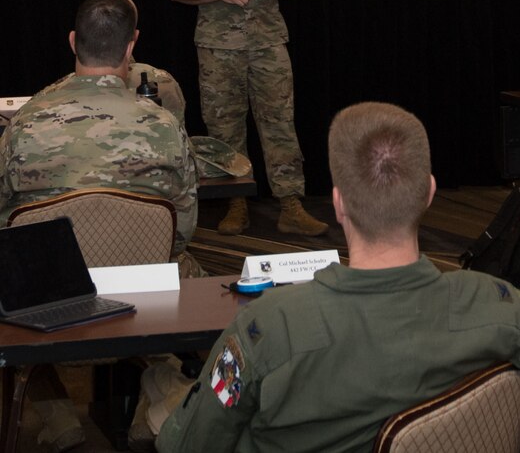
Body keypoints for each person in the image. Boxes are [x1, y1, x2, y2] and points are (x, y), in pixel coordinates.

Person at [155, 101, 520, 453]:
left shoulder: (268, 328)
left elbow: (190, 443)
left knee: (157, 389)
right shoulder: (501, 305)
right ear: (429, 192)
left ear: (338, 203)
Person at [0, 0, 199, 453]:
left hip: (46, 306)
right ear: (132, 46)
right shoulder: (164, 126)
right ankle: (165, 388)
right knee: (192, 269)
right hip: (143, 295)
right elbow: (183, 228)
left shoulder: (24, 124)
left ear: (73, 42)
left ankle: (56, 415)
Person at [167, 0, 327, 237]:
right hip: (218, 46)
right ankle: (235, 203)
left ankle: (290, 205)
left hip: (268, 41)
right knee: (224, 127)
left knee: (279, 122)